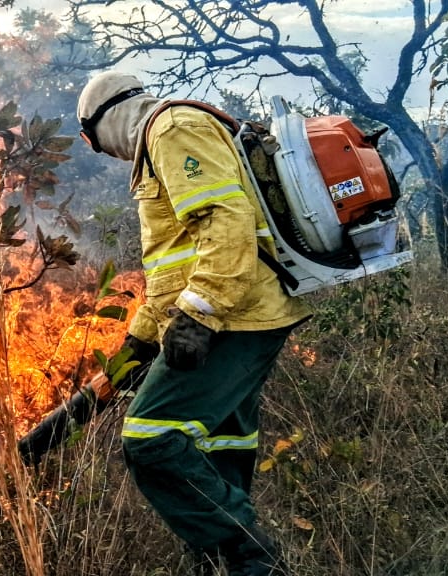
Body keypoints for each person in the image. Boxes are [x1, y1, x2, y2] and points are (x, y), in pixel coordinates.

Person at [76, 72, 311, 576]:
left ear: (98, 124)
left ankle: (252, 556)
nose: (101, 155)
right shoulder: (162, 139)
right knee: (218, 441)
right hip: (245, 311)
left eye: (92, 142)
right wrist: (138, 343)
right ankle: (215, 561)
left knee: (149, 436)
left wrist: (199, 315)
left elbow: (224, 221)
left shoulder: (172, 128)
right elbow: (171, 269)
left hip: (233, 316)